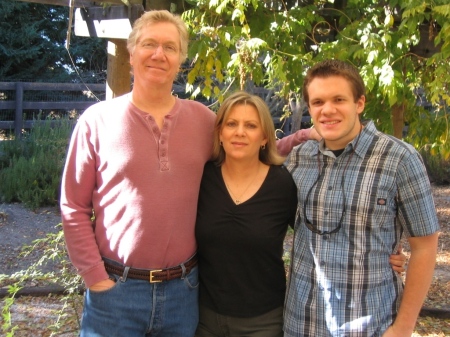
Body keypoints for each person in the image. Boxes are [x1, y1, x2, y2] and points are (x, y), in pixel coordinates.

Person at [60, 9, 315, 337]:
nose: (158, 54)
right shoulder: (97, 121)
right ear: (131, 50)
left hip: (184, 293)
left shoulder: (202, 120)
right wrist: (94, 276)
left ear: (181, 58)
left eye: (170, 47)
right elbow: (73, 207)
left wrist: (303, 137)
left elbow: (246, 150)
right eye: (149, 44)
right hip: (116, 293)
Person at [194, 91, 407, 337]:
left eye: (250, 125)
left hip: (262, 321)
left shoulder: (284, 183)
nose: (239, 132)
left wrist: (385, 255)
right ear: (220, 132)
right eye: (231, 124)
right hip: (203, 318)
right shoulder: (201, 178)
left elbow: (323, 231)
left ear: (264, 137)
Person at [283, 59, 440, 336]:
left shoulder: (400, 159)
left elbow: (425, 247)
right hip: (301, 323)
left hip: (369, 326)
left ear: (359, 103)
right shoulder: (298, 158)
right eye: (318, 102)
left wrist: (403, 328)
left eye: (339, 99)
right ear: (309, 108)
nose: (327, 109)